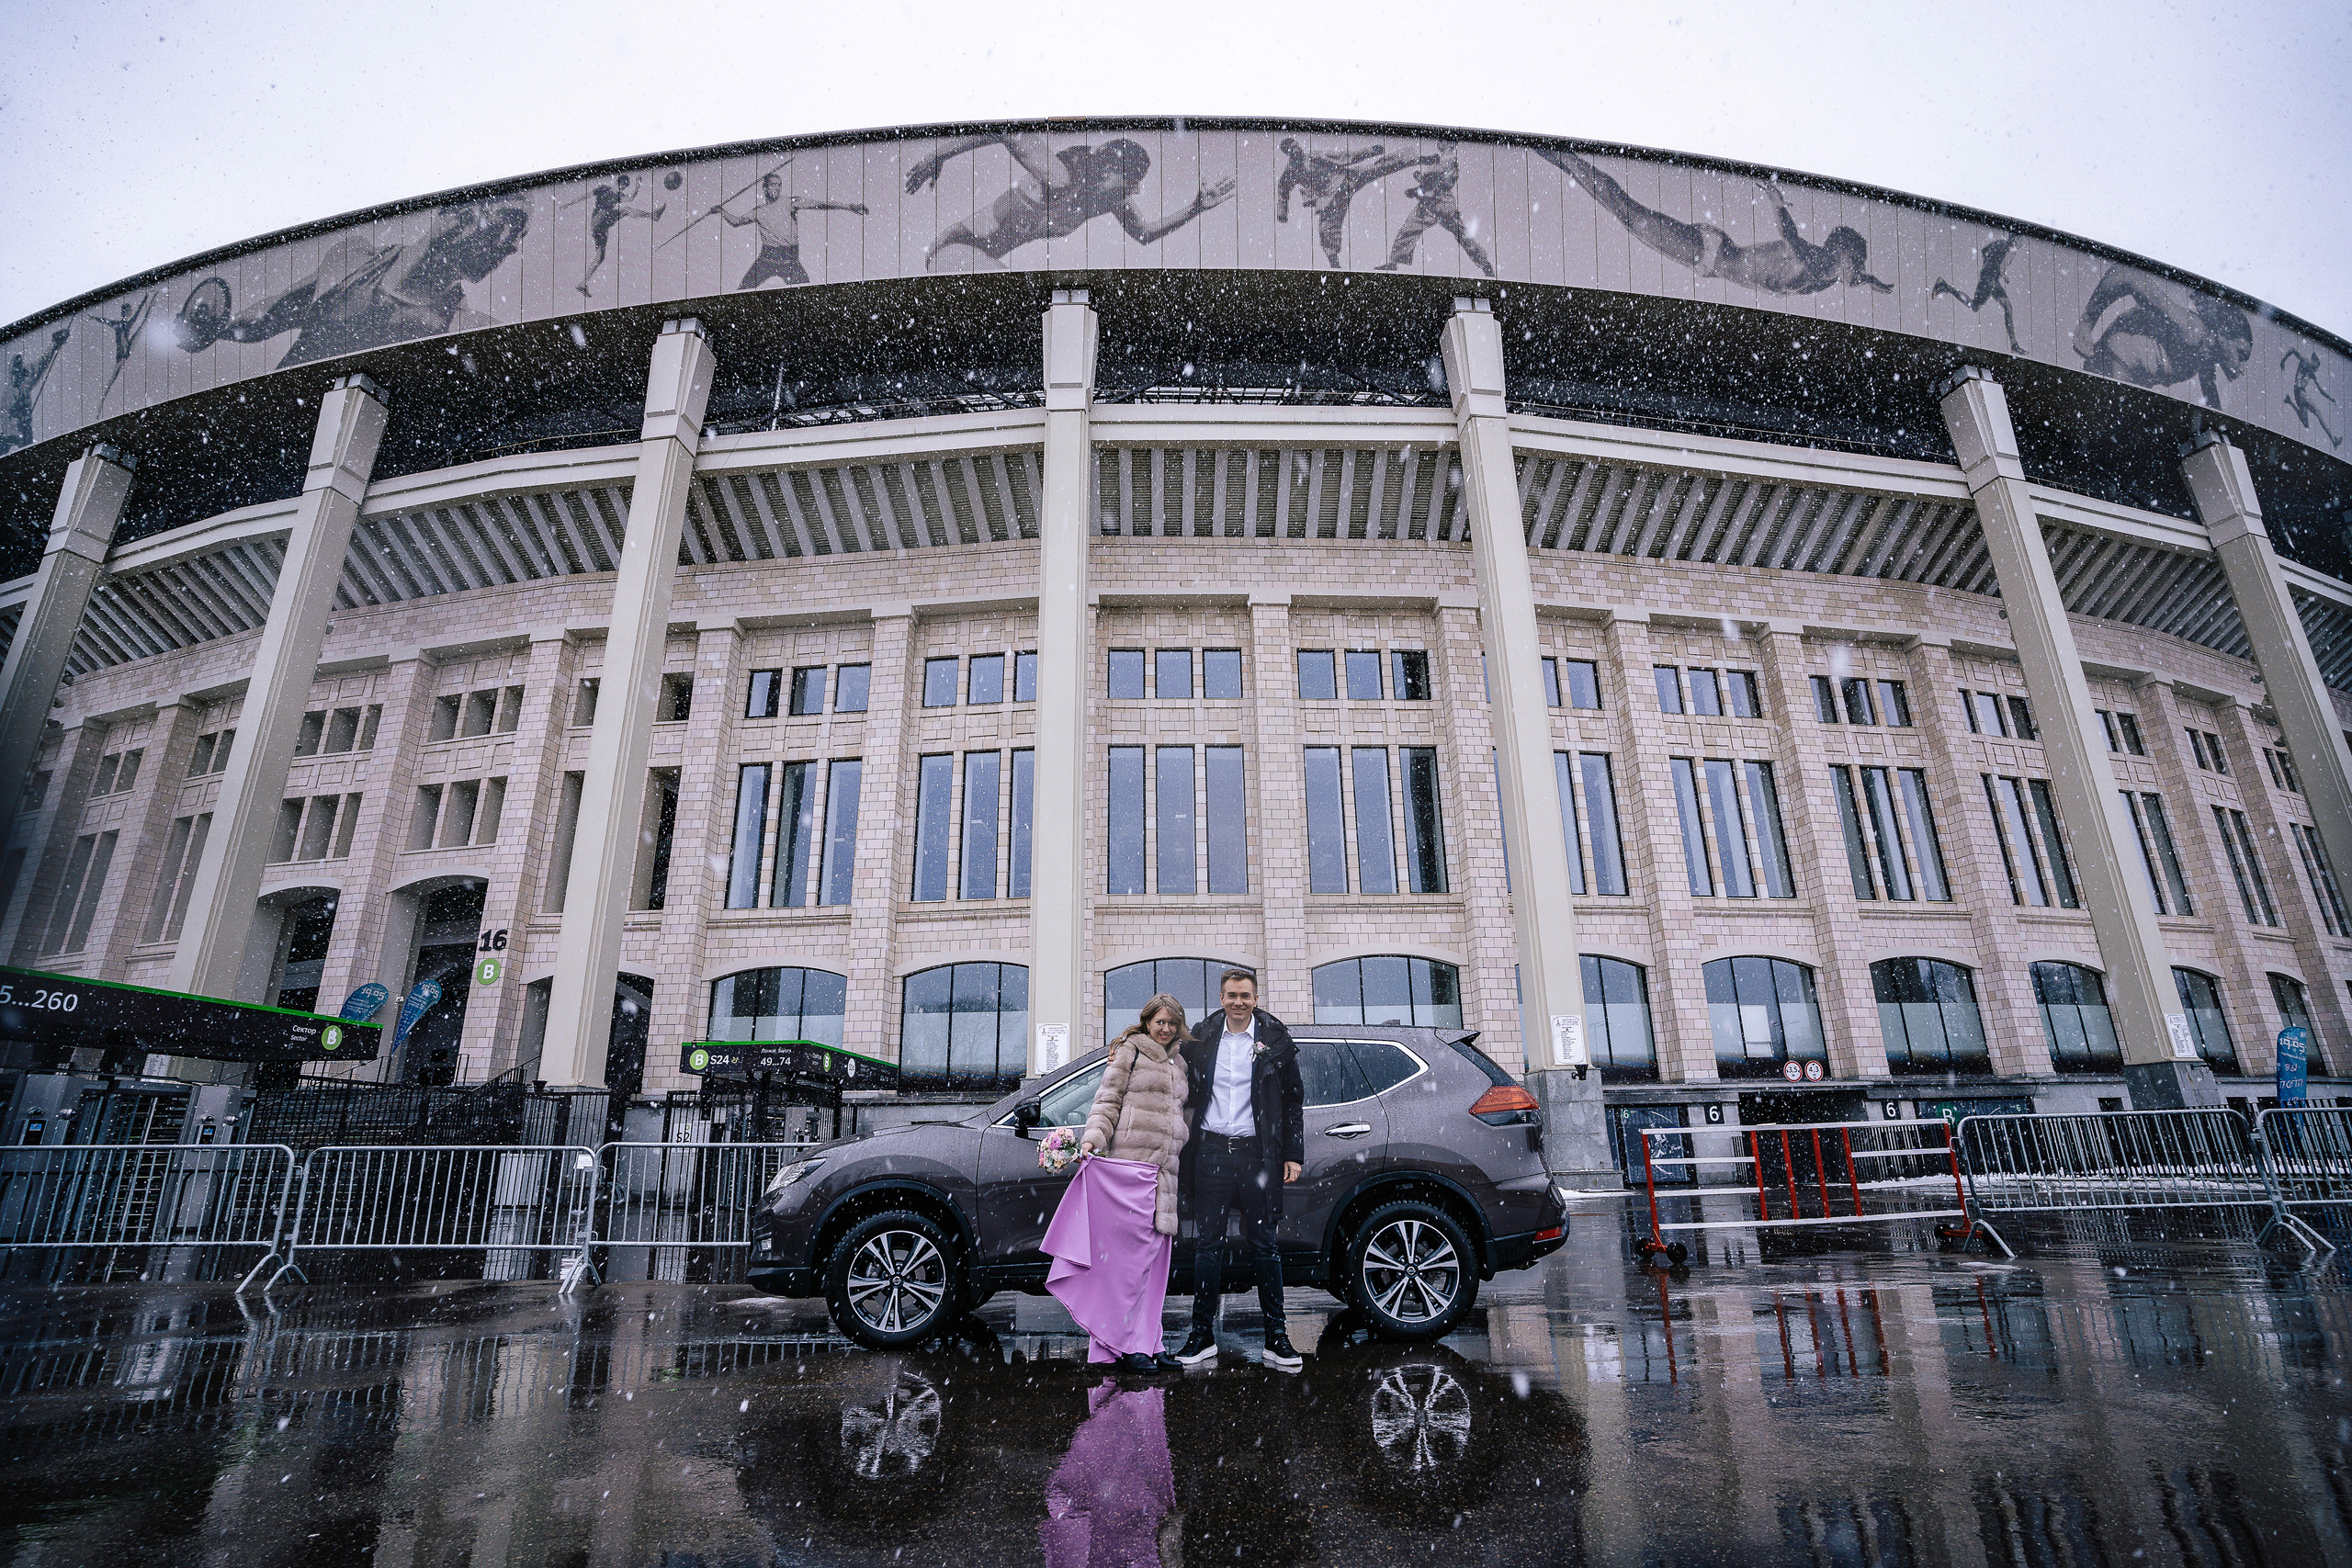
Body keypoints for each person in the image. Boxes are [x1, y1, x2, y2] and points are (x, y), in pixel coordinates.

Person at [1049, 994, 1194, 1374]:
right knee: (1126, 1268)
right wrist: (1092, 1140)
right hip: (1128, 1174)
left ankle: (1150, 1342)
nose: (1166, 1029)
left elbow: (1181, 1115)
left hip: (1164, 1177)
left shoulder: (1180, 1063)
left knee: (1153, 1267)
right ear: (1147, 1022)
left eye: (1172, 1023)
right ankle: (1125, 1344)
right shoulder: (1129, 1051)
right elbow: (1107, 1101)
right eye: (1160, 1022)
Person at [1172, 969, 1306, 1371]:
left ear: (1255, 998)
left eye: (1245, 996)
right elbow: (1163, 1053)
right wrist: (1125, 1047)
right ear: (1221, 998)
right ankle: (1201, 1335)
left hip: (1257, 1156)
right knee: (1207, 1246)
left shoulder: (1276, 1041)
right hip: (1211, 1153)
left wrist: (1293, 1154)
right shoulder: (1202, 1039)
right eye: (1231, 995)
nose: (1238, 1002)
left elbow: (1292, 1100)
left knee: (1265, 1245)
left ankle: (1276, 1337)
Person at [1536, 147, 1891, 296]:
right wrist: (1777, 205)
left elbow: (1844, 276)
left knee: (1629, 214)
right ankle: (1564, 157)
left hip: (1714, 255)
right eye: (1856, 262)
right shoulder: (1818, 263)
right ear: (1841, 252)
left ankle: (1564, 159)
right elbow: (1791, 238)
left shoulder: (1824, 278)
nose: (1857, 271)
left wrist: (1866, 278)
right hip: (1711, 253)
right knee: (1628, 213)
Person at [906, 132, 1236, 270]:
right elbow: (1006, 132)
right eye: (1132, 183)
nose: (1134, 192)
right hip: (955, 249)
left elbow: (1144, 234)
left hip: (980, 260)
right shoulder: (1060, 176)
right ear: (1108, 171)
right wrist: (938, 155)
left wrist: (1195, 208)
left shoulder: (1106, 200)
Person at [2071, 261, 2252, 411]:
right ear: (2224, 336)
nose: (2243, 367)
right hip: (2116, 361)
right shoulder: (2192, 330)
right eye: (2241, 354)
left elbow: (2211, 397)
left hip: (2128, 375)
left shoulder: (2208, 356)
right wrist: (2087, 322)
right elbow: (2127, 273)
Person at [1277, 138, 1435, 269]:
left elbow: (1345, 157)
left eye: (1297, 146)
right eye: (1293, 149)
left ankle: (1417, 158)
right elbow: (1283, 192)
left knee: (1378, 167)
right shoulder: (1290, 172)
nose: (1297, 150)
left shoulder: (1315, 156)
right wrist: (1282, 213)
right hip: (1330, 198)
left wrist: (1370, 151)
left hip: (1346, 179)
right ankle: (1334, 263)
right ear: (1288, 153)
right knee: (1326, 229)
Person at [718, 172, 868, 289]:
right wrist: (721, 211)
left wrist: (849, 206)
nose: (777, 188)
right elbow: (736, 222)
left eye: (779, 185)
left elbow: (820, 204)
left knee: (807, 292)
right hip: (766, 260)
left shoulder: (790, 203)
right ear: (765, 188)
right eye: (773, 185)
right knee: (743, 290)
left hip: (790, 261)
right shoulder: (759, 211)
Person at [1374, 147, 1496, 278]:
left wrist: (1419, 189)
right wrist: (1420, 181)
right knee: (1408, 230)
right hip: (1427, 204)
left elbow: (1443, 183)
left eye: (1444, 142)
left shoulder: (1450, 162)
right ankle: (1394, 262)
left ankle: (1485, 265)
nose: (1440, 144)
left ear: (1451, 145)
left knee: (1461, 234)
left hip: (1442, 204)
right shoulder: (1436, 159)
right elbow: (1431, 180)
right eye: (1440, 142)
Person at [566, 174, 666, 299]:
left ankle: (582, 283)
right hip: (600, 218)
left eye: (624, 188)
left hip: (600, 228)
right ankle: (652, 216)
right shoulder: (604, 189)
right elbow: (586, 195)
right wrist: (570, 203)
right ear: (619, 183)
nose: (622, 189)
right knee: (627, 210)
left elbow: (630, 198)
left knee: (600, 257)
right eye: (622, 186)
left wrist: (637, 186)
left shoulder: (618, 195)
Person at [1932, 235, 2023, 355]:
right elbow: (1988, 254)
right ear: (2015, 239)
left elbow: (1996, 261)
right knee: (2006, 307)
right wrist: (1992, 268)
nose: (2021, 243)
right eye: (2020, 240)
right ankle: (2014, 344)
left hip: (1992, 280)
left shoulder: (2010, 250)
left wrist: (1999, 271)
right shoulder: (2003, 245)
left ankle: (1945, 286)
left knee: (1977, 306)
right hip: (1989, 280)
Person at [2282, 347, 2342, 448]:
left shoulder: (2311, 372)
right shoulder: (2305, 361)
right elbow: (2292, 349)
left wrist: (2330, 398)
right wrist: (2283, 361)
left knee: (2305, 423)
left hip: (2298, 395)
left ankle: (2290, 402)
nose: (2316, 369)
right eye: (2317, 366)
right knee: (2318, 412)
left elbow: (2321, 390)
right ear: (2314, 361)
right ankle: (2333, 439)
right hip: (2300, 392)